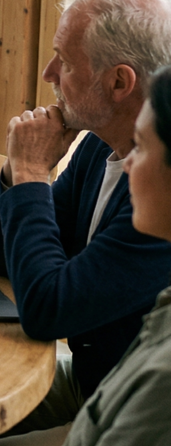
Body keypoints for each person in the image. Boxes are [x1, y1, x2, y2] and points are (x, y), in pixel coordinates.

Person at [0, 0, 171, 432]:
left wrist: (32, 173)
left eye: (65, 62)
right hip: (90, 381)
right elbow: (8, 259)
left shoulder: (159, 201)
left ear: (119, 81)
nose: (48, 74)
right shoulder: (97, 146)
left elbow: (49, 310)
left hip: (122, 407)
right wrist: (17, 171)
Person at [60, 64, 171, 445]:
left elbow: (54, 305)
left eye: (141, 147)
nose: (128, 164)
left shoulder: (164, 377)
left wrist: (29, 171)